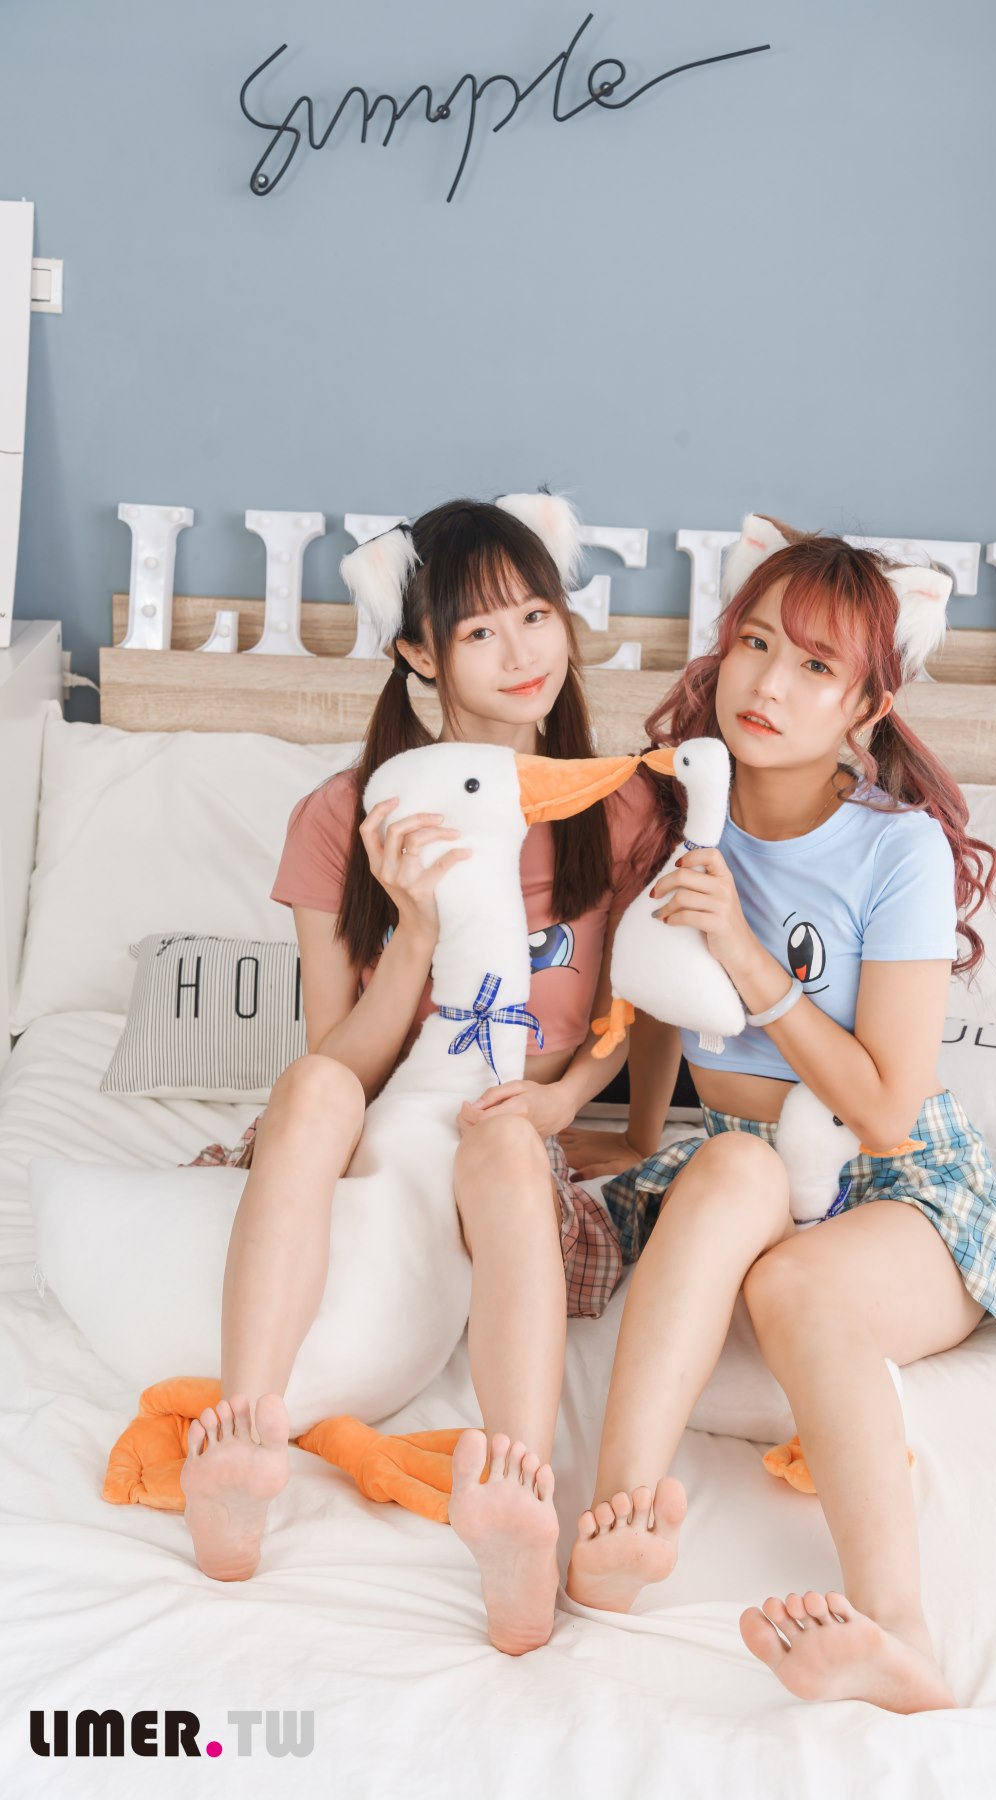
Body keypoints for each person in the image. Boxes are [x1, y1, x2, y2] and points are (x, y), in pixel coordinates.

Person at [560, 526, 996, 1712]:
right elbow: (651, 995)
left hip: (899, 1179)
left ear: (867, 707)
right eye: (754, 643)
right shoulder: (675, 806)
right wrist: (633, 1135)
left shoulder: (898, 851)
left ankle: (900, 1636)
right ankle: (618, 1531)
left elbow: (884, 1109)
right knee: (727, 1174)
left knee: (796, 1288)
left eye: (816, 666)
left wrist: (747, 952)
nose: (769, 683)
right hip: (745, 1154)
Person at [179, 493, 676, 1658]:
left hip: (507, 1125)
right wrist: (412, 928)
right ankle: (245, 1441)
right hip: (373, 1126)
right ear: (417, 652)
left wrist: (572, 1104)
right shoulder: (343, 816)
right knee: (306, 1092)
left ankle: (515, 1499)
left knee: (501, 1144)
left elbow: (641, 1001)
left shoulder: (624, 807)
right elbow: (338, 1062)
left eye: (536, 615)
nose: (522, 653)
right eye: (479, 631)